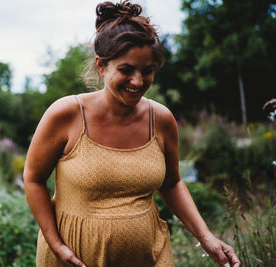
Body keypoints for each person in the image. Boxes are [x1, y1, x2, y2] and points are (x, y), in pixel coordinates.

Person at [23, 1, 241, 266]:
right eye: (126, 70)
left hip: (147, 256)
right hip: (73, 257)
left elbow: (171, 183)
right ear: (101, 66)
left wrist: (206, 237)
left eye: (147, 71)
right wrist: (56, 245)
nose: (138, 82)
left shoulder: (161, 120)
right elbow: (33, 179)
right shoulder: (66, 114)